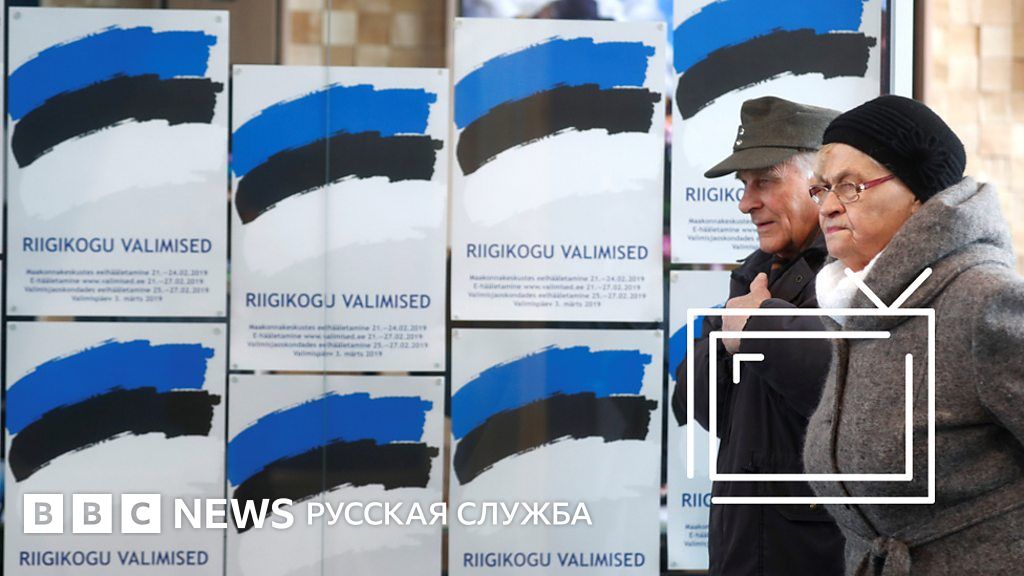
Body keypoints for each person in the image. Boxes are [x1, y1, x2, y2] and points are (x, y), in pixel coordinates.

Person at [803, 95, 1024, 575]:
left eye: (850, 186)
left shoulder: (985, 300)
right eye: (822, 189)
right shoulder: (855, 304)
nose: (829, 206)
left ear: (919, 196)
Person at [673, 96, 845, 575]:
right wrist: (733, 341)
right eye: (744, 185)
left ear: (819, 184)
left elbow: (854, 396)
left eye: (765, 181)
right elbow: (697, 401)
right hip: (744, 547)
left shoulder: (855, 272)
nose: (746, 202)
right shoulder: (756, 273)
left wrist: (759, 329)